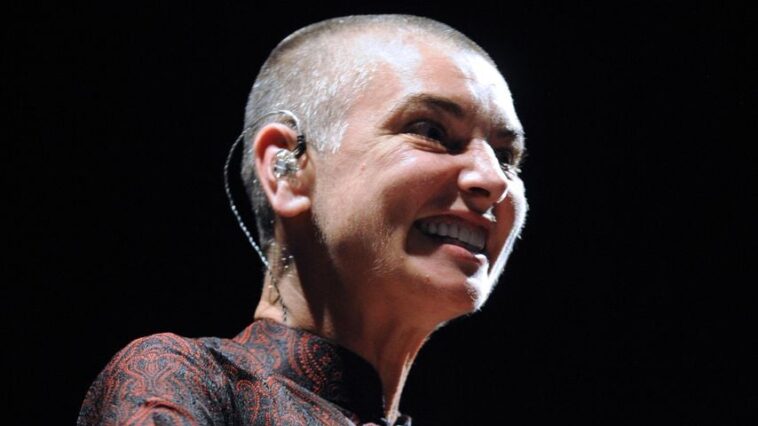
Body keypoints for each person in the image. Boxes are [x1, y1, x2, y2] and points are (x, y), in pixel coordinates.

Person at [78, 14, 527, 425]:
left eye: (506, 157)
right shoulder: (183, 380)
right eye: (431, 131)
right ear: (287, 170)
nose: (493, 180)